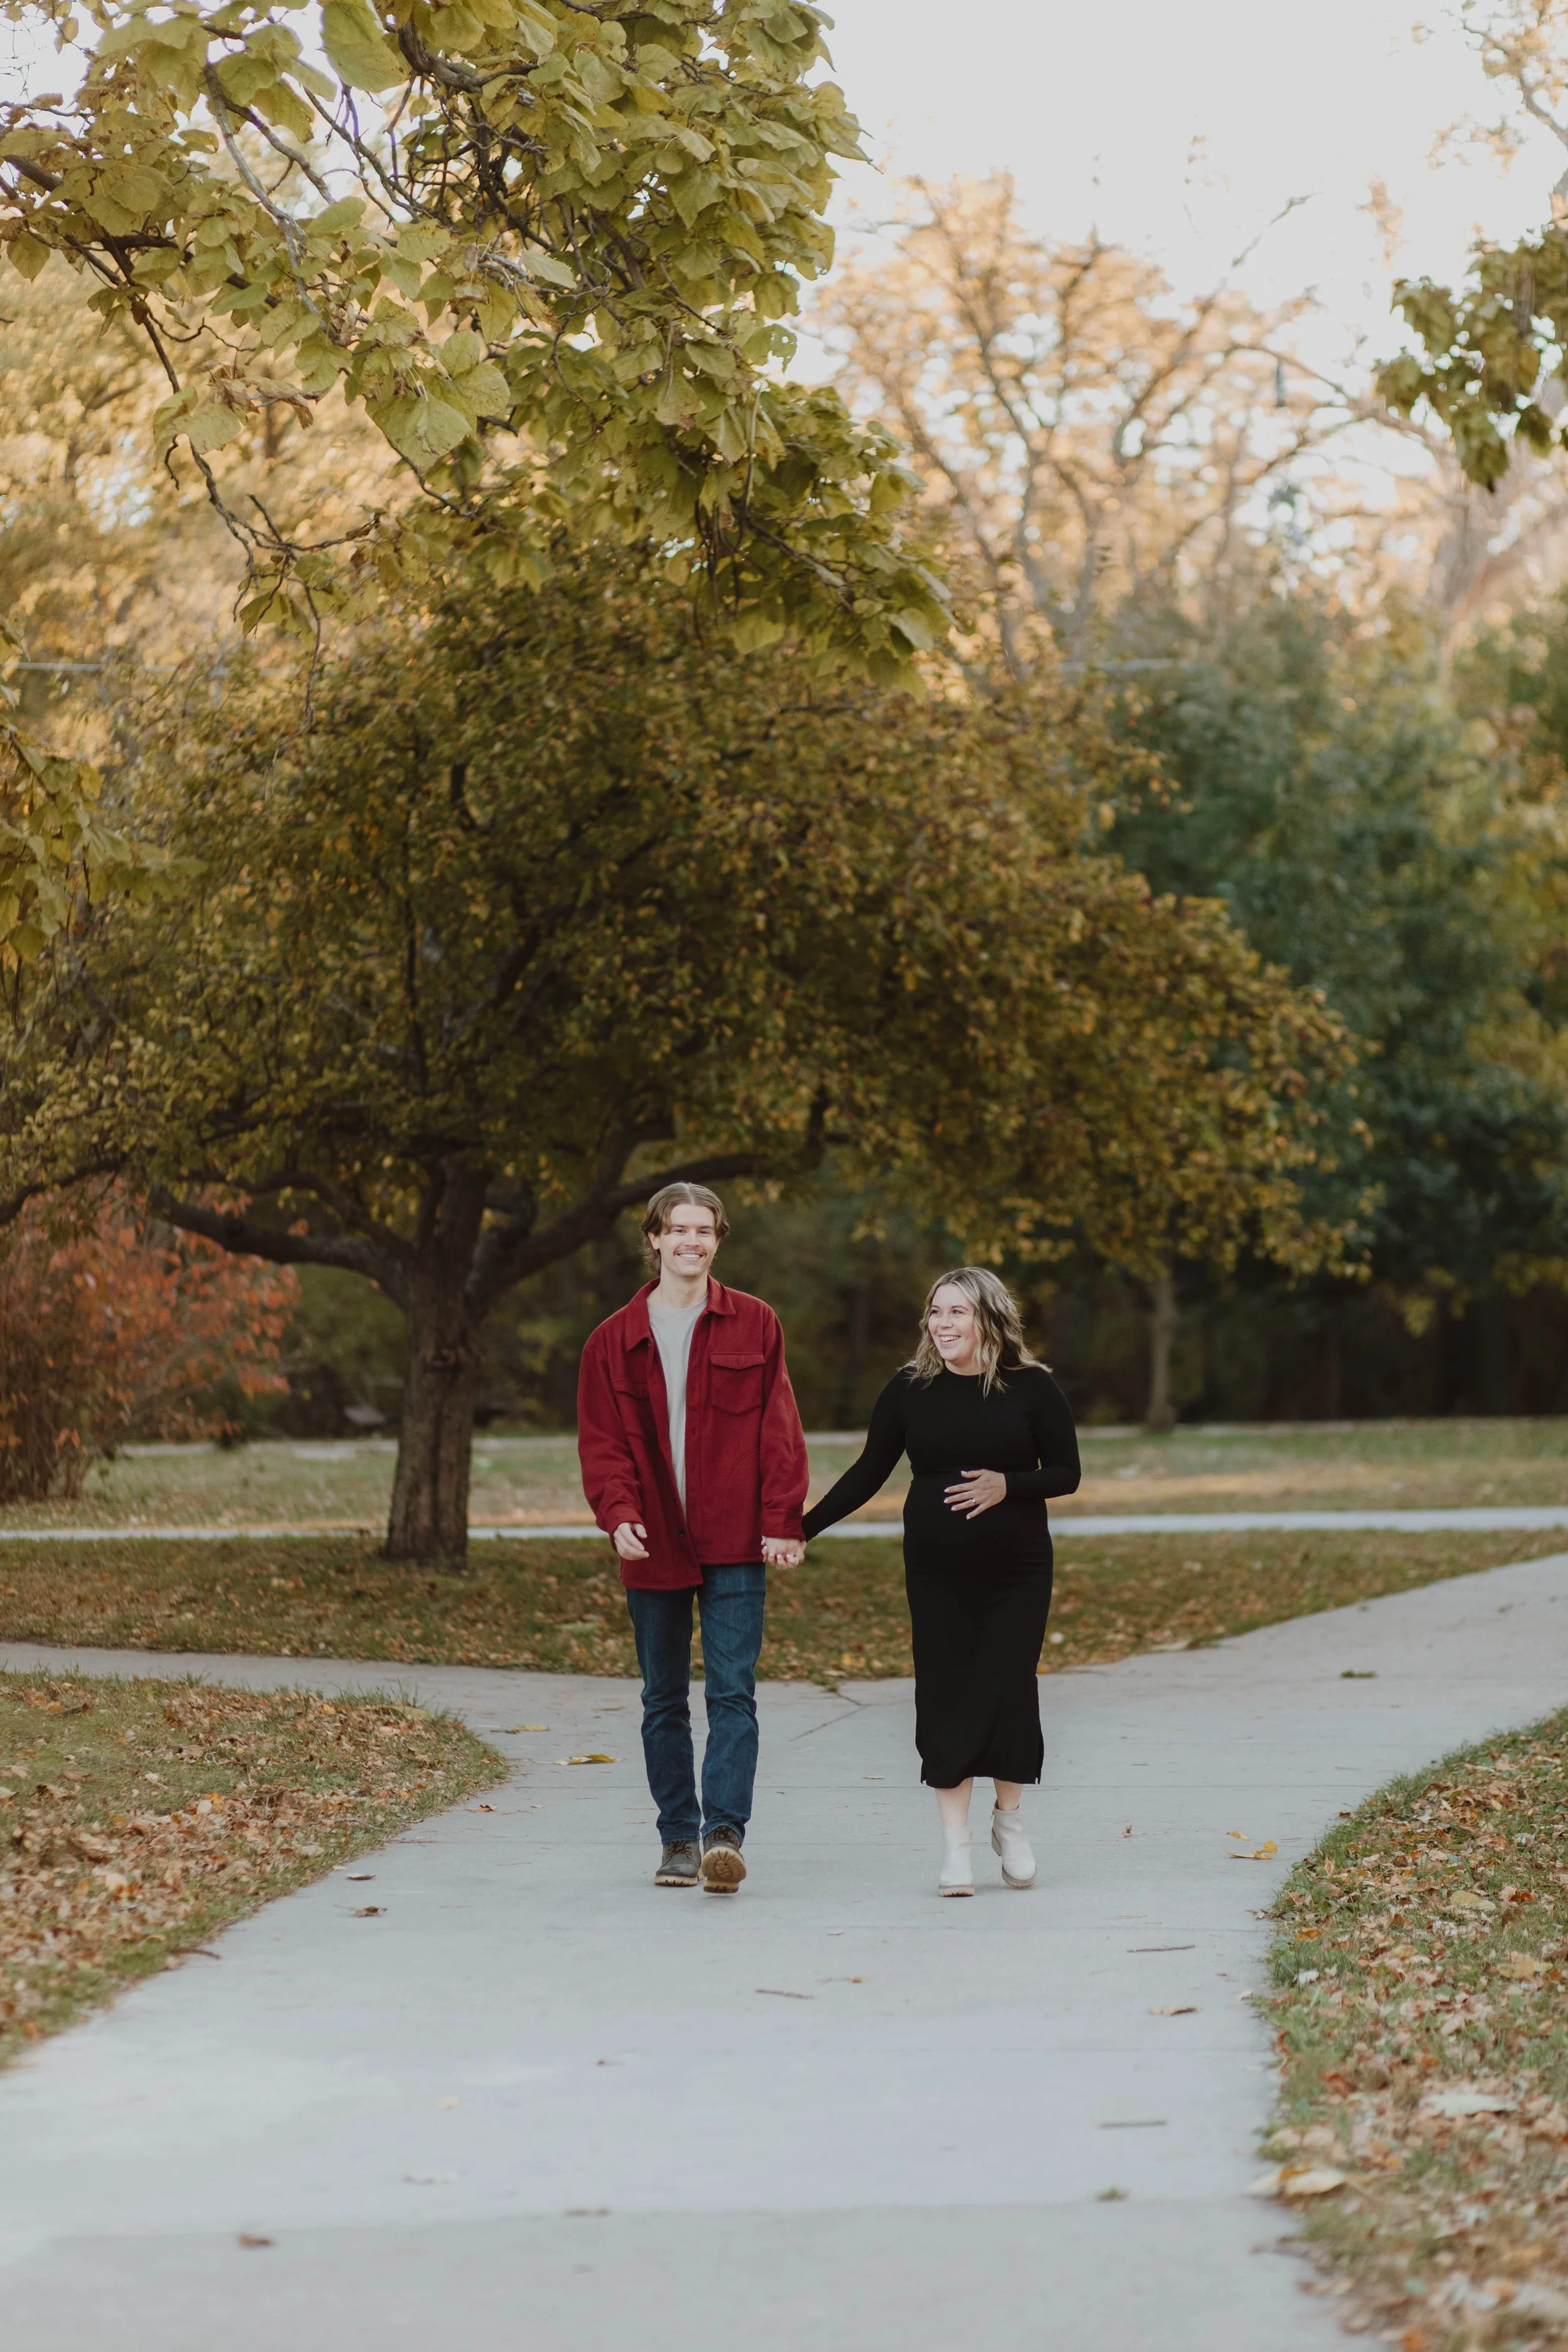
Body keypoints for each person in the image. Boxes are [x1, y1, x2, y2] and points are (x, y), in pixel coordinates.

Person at [801, 1268, 1079, 1895]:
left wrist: (1008, 1483)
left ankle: (1008, 1821)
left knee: (1008, 1688)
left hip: (1017, 1570)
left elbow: (1067, 1472)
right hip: (935, 1569)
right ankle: (955, 1848)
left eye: (958, 1312)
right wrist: (804, 1528)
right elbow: (869, 1470)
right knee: (946, 1692)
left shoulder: (1032, 1388)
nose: (944, 1324)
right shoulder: (909, 1389)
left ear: (987, 1318)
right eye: (936, 1312)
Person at [577, 1182, 807, 1893]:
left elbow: (779, 1428)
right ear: (653, 1239)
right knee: (663, 1698)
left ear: (718, 1239)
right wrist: (616, 1514)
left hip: (736, 1537)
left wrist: (781, 1520)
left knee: (733, 1693)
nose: (690, 1242)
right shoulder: (612, 1340)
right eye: (677, 1229)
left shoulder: (755, 1323)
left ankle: (723, 1836)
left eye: (703, 1231)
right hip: (653, 1540)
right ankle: (677, 1835)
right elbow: (603, 1442)